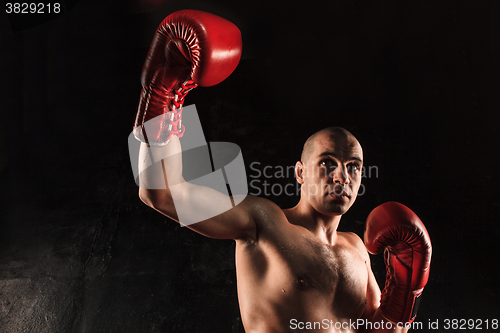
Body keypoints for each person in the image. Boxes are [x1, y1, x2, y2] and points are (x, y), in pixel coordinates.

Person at [133, 10, 432, 333]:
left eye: (353, 167)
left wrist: (405, 292)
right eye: (328, 163)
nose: (341, 176)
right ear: (300, 172)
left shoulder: (356, 248)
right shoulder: (265, 222)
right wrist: (164, 91)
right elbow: (163, 193)